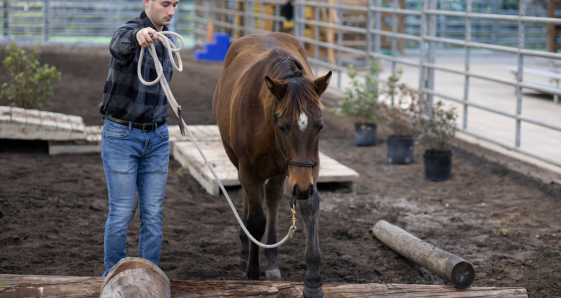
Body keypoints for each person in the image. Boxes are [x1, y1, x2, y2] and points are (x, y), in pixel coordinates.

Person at [98, 0, 179, 277]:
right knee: (121, 213)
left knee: (153, 215)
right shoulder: (130, 30)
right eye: (165, 4)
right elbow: (118, 43)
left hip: (157, 135)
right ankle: (113, 274)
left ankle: (149, 275)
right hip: (122, 134)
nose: (171, 11)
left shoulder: (166, 41)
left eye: (176, 4)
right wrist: (138, 36)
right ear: (147, 2)